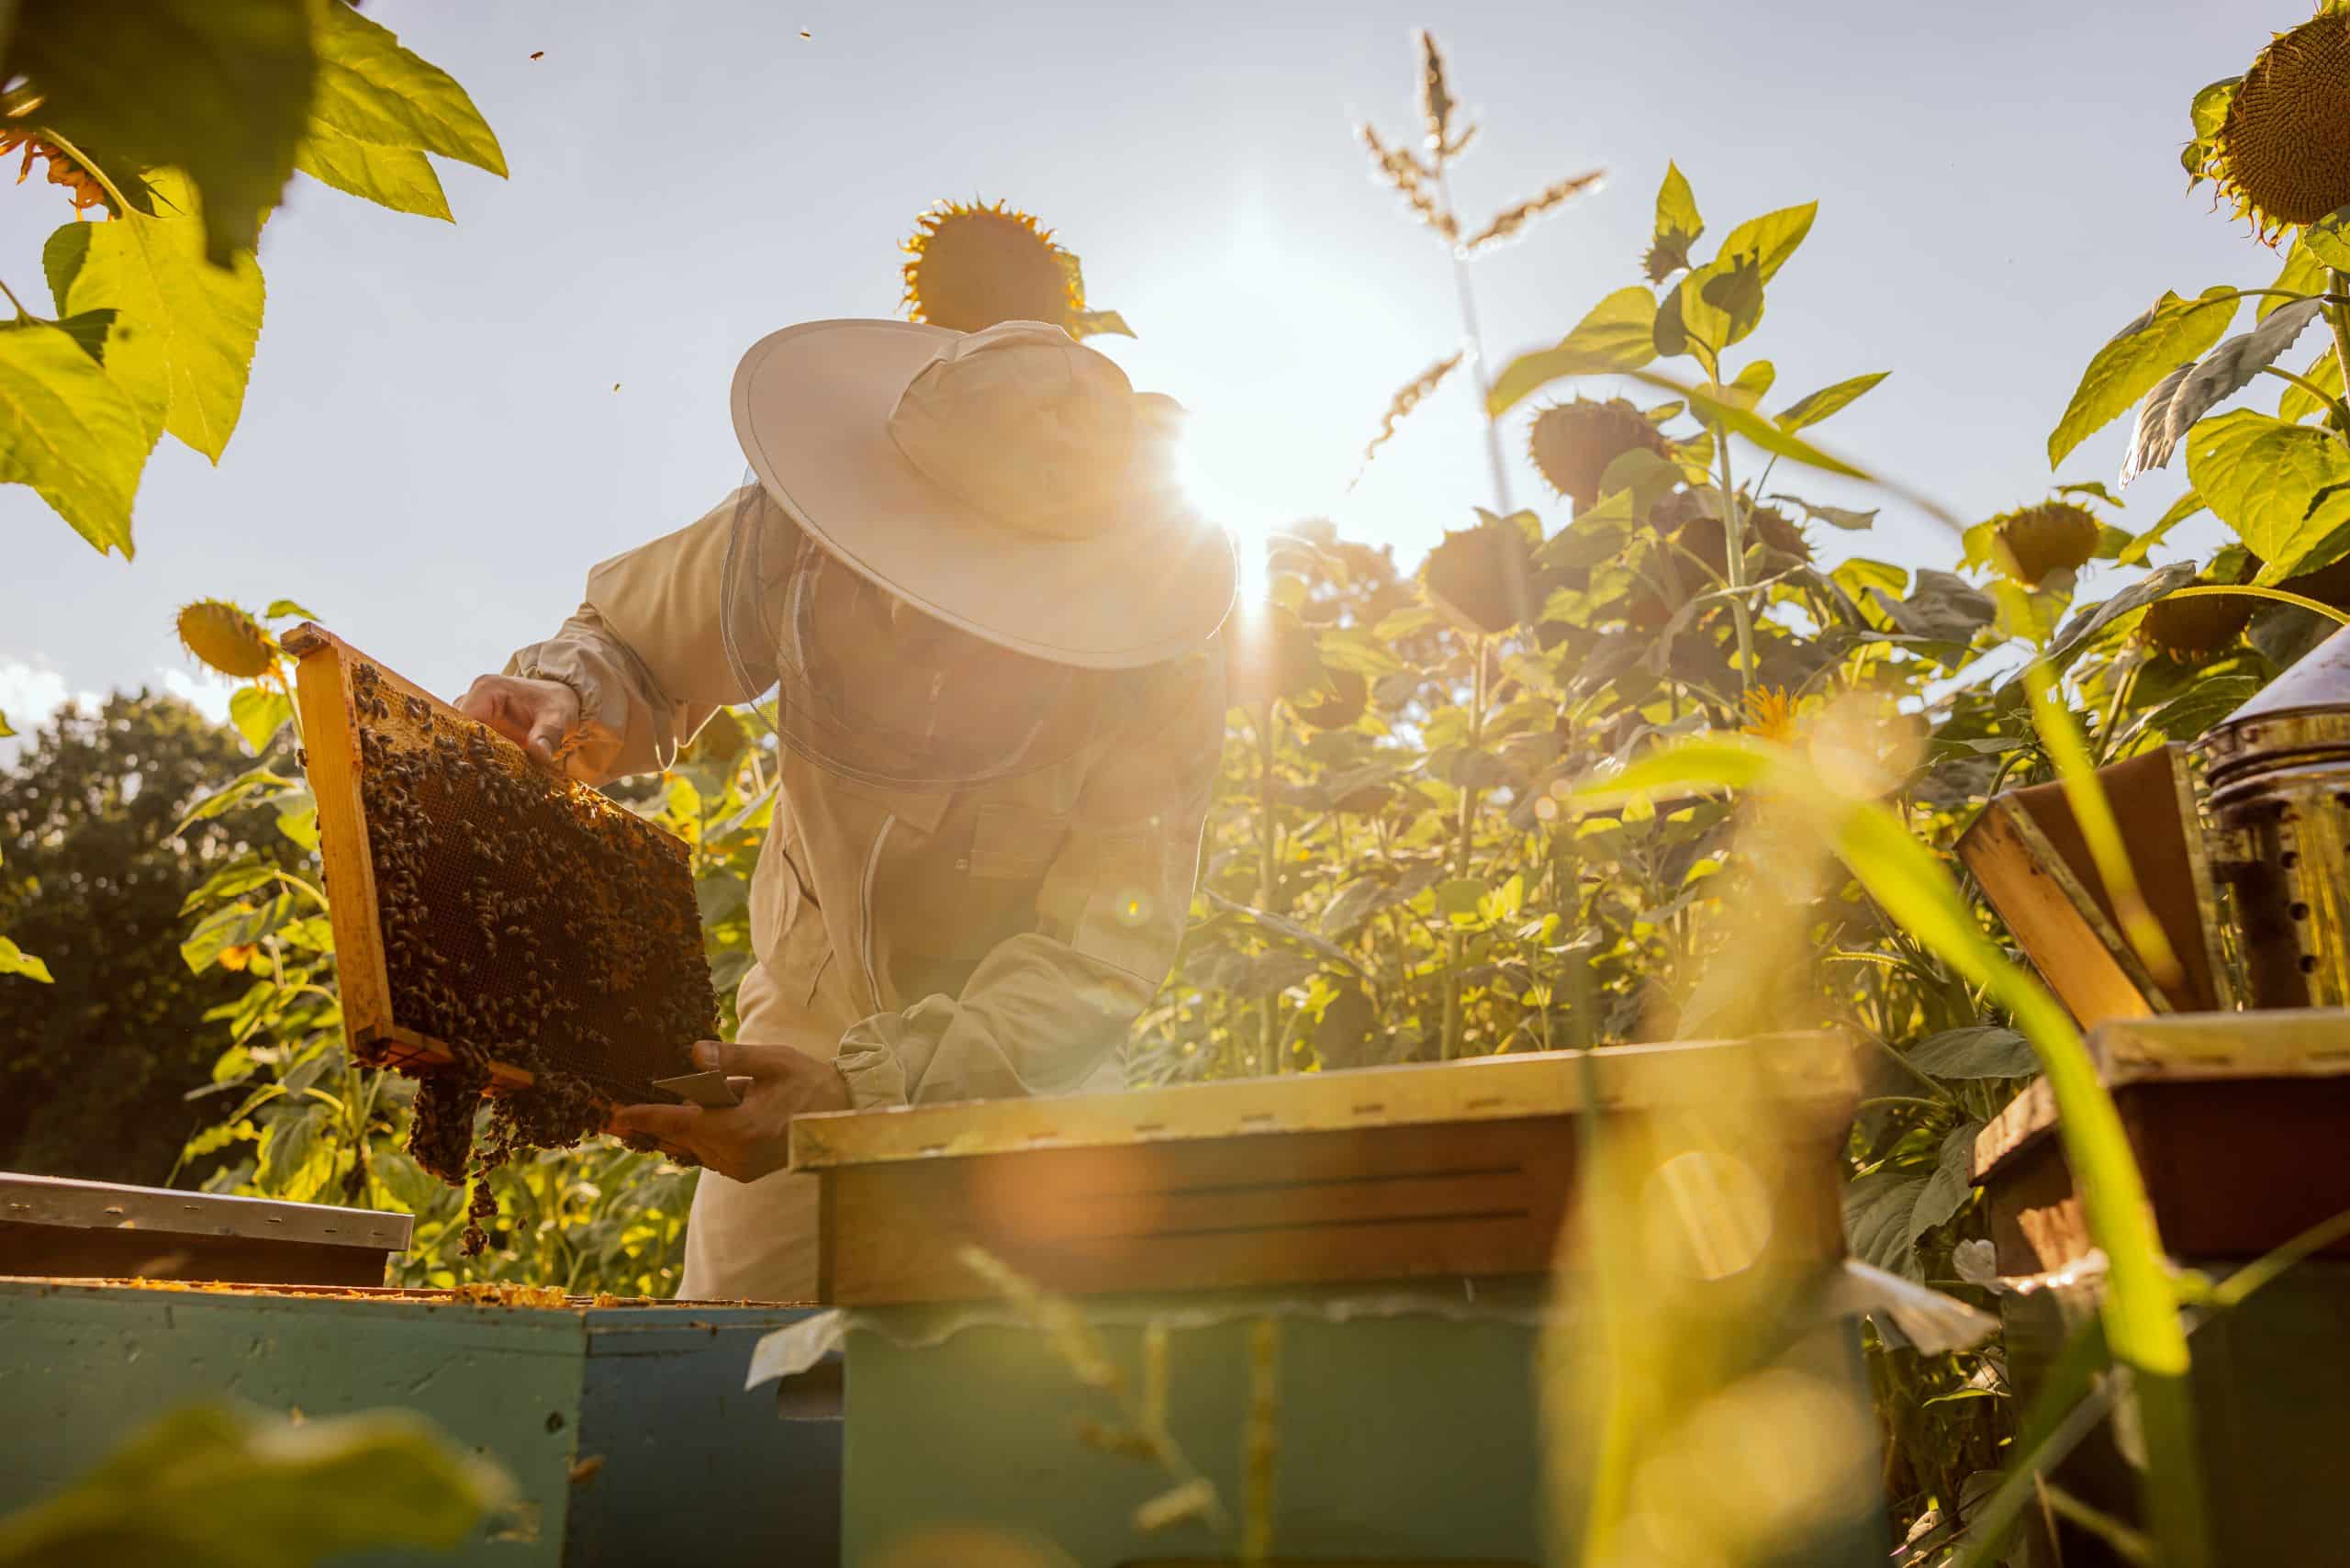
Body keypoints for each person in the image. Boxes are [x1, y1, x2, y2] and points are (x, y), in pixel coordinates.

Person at [455, 319, 1236, 1302]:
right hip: (803, 1019)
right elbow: (635, 640)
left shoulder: (1153, 672)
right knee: (722, 1374)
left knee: (1040, 1394)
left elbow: (1091, 960)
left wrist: (867, 1092)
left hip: (1027, 1069)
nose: (916, 599)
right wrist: (568, 694)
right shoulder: (787, 537)